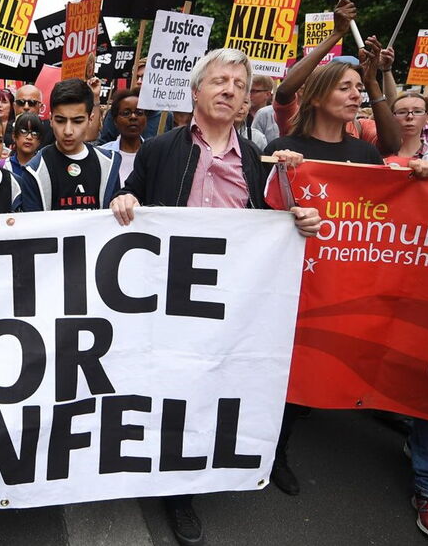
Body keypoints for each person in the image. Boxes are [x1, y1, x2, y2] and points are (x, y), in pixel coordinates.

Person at [110, 48, 320, 546]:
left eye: (240, 86)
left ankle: (194, 476)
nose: (230, 91)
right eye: (219, 81)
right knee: (169, 383)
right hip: (166, 295)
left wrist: (302, 218)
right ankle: (170, 483)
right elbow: (126, 201)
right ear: (196, 91)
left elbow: (280, 221)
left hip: (230, 302)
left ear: (247, 103)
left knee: (214, 385)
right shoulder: (161, 148)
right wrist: (123, 200)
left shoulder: (257, 158)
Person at [271, 0, 400, 156]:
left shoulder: (364, 144)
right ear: (315, 97)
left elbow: (391, 145)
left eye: (360, 88)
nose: (356, 95)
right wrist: (336, 33)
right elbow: (284, 92)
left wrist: (372, 81)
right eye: (344, 88)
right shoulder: (287, 138)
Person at [21, 78, 121, 211]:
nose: (68, 131)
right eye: (60, 121)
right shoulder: (34, 171)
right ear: (51, 119)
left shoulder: (109, 165)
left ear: (90, 119)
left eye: (77, 121)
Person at [97, 58, 174, 143]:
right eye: (136, 77)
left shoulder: (165, 116)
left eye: (144, 77)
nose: (139, 81)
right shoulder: (117, 111)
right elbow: (104, 145)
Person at [99, 89, 143, 184]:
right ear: (115, 121)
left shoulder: (156, 155)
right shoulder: (101, 155)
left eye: (139, 113)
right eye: (126, 113)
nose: (133, 117)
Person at [382, 92, 428, 167]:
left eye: (418, 111)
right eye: (402, 112)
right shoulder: (379, 154)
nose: (410, 116)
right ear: (392, 118)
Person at [0, 112, 42, 178]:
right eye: (24, 131)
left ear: (39, 140)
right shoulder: (2, 166)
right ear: (14, 136)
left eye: (34, 133)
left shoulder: (45, 166)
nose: (29, 137)